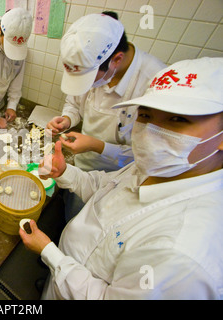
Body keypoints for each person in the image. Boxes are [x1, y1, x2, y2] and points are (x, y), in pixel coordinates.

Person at [20, 57, 223, 299]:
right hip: (64, 277)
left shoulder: (183, 254)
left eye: (178, 119)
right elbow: (105, 188)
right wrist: (66, 173)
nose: (149, 134)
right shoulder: (160, 168)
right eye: (145, 116)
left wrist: (48, 252)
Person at [46, 12, 166, 221]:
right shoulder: (90, 61)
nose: (88, 86)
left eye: (89, 79)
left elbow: (150, 160)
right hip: (80, 167)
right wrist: (67, 118)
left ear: (116, 60)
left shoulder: (154, 85)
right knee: (72, 218)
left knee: (90, 226)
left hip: (116, 181)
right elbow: (73, 103)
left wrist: (97, 145)